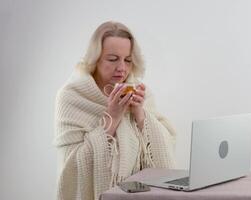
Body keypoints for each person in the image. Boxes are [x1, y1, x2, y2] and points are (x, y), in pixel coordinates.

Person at [53, 21, 176, 200]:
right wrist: (112, 117)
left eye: (127, 60)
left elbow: (166, 149)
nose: (122, 68)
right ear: (95, 60)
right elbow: (72, 168)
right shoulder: (71, 96)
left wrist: (140, 115)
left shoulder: (141, 92)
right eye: (112, 59)